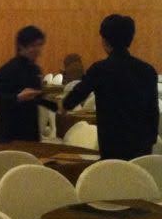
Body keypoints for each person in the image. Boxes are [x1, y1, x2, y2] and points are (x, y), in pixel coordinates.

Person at [61, 15, 158, 159]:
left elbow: (72, 100)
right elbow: (153, 111)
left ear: (105, 41)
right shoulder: (148, 70)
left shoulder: (99, 69)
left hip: (112, 147)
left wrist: (63, 106)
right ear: (130, 40)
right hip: (142, 149)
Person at [0, 25, 57, 143]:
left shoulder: (35, 70)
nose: (38, 50)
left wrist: (56, 106)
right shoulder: (7, 70)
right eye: (34, 45)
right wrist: (18, 97)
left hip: (31, 129)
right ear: (21, 46)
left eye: (40, 45)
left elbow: (36, 97)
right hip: (10, 131)